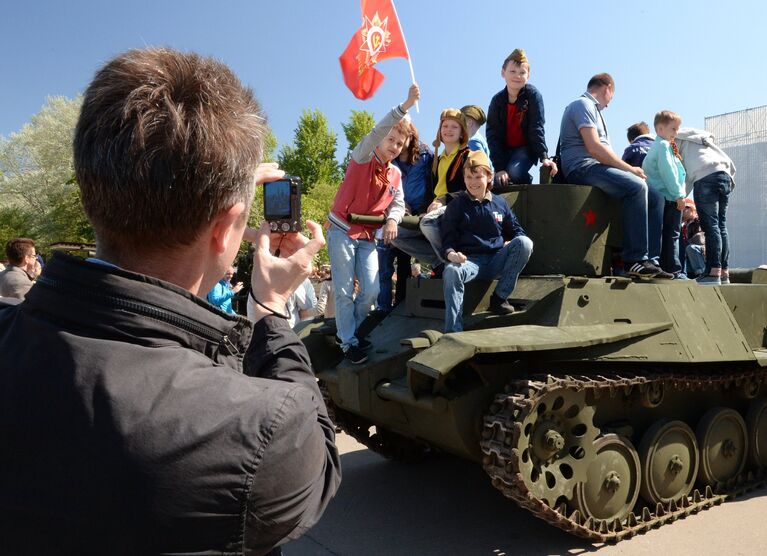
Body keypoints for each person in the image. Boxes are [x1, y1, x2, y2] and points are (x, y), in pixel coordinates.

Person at [0, 48, 340, 555]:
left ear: (92, 190)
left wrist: (218, 211)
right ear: (228, 229)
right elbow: (318, 460)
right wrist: (269, 311)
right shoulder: (259, 429)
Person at [328, 84, 420, 364]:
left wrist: (393, 219)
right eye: (391, 139)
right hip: (342, 229)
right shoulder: (362, 156)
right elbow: (377, 131)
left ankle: (348, 332)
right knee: (344, 291)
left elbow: (397, 203)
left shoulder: (395, 174)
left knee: (371, 291)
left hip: (367, 236)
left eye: (399, 143)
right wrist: (405, 106)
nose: (393, 146)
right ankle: (348, 341)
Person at [559, 72, 669, 279]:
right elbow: (594, 148)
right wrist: (629, 169)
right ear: (607, 87)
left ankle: (650, 260)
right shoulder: (582, 105)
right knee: (636, 186)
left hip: (595, 166)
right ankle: (634, 260)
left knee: (656, 196)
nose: (610, 103)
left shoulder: (594, 110)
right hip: (582, 167)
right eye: (612, 96)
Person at [440, 150, 533, 333]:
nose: (473, 182)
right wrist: (452, 254)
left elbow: (517, 231)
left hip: (495, 260)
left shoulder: (500, 204)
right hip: (469, 262)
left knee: (525, 243)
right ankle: (453, 330)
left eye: (477, 177)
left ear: (489, 176)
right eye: (468, 177)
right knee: (451, 271)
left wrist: (510, 242)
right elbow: (447, 240)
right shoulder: (457, 205)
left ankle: (499, 297)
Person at [377, 121, 433, 312]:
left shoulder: (426, 155)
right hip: (395, 211)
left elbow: (432, 180)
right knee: (384, 263)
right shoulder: (390, 158)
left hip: (419, 212)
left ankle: (401, 303)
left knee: (404, 263)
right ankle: (383, 308)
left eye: (403, 139)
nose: (398, 144)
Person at [486, 48, 557, 186]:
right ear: (503, 72)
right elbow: (492, 134)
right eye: (512, 71)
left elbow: (536, 127)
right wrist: (499, 168)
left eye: (522, 73)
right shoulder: (497, 101)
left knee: (515, 172)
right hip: (504, 149)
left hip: (525, 149)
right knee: (497, 180)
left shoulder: (533, 96)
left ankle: (526, 185)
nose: (517, 76)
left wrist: (544, 156)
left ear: (528, 75)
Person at [675, 128, 736, 285]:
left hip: (705, 176)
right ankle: (724, 274)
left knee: (710, 226)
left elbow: (682, 172)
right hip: (725, 175)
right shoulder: (704, 141)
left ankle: (712, 273)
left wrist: (680, 197)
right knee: (721, 225)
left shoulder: (676, 141)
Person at [642, 111, 687, 278]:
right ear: (660, 128)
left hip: (664, 196)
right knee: (672, 235)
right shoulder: (663, 146)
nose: (676, 133)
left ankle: (664, 266)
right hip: (669, 197)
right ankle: (674, 270)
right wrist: (678, 195)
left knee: (664, 233)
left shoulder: (660, 146)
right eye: (673, 129)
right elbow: (668, 172)